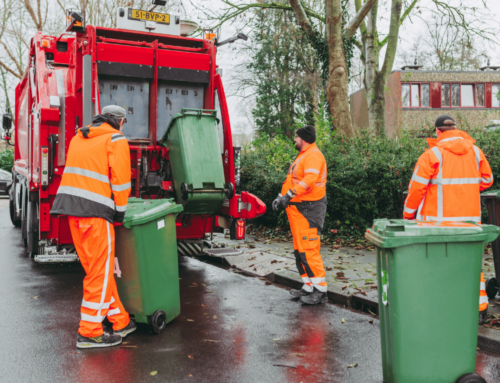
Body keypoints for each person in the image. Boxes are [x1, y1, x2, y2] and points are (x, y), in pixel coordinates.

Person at [51, 105, 136, 348]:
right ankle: (89, 332)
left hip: (73, 213)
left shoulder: (79, 137)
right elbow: (120, 182)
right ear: (119, 121)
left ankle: (120, 320)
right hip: (97, 214)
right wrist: (119, 213)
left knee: (98, 271)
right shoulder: (115, 139)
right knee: (100, 273)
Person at [403, 115, 494, 323]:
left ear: (437, 131)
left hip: (438, 224)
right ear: (456, 129)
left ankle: (442, 305)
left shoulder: (432, 155)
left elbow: (416, 190)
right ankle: (479, 308)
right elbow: (487, 179)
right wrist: (466, 189)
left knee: (438, 263)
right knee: (470, 264)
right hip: (470, 222)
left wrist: (408, 215)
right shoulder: (475, 151)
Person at [272, 125, 328, 305]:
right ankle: (308, 286)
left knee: (309, 250)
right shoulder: (303, 155)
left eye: (296, 137)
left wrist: (288, 195)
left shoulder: (313, 155)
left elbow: (309, 181)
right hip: (299, 210)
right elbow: (291, 180)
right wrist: (281, 196)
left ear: (303, 138)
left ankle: (321, 290)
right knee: (300, 251)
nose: (294, 140)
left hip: (308, 210)